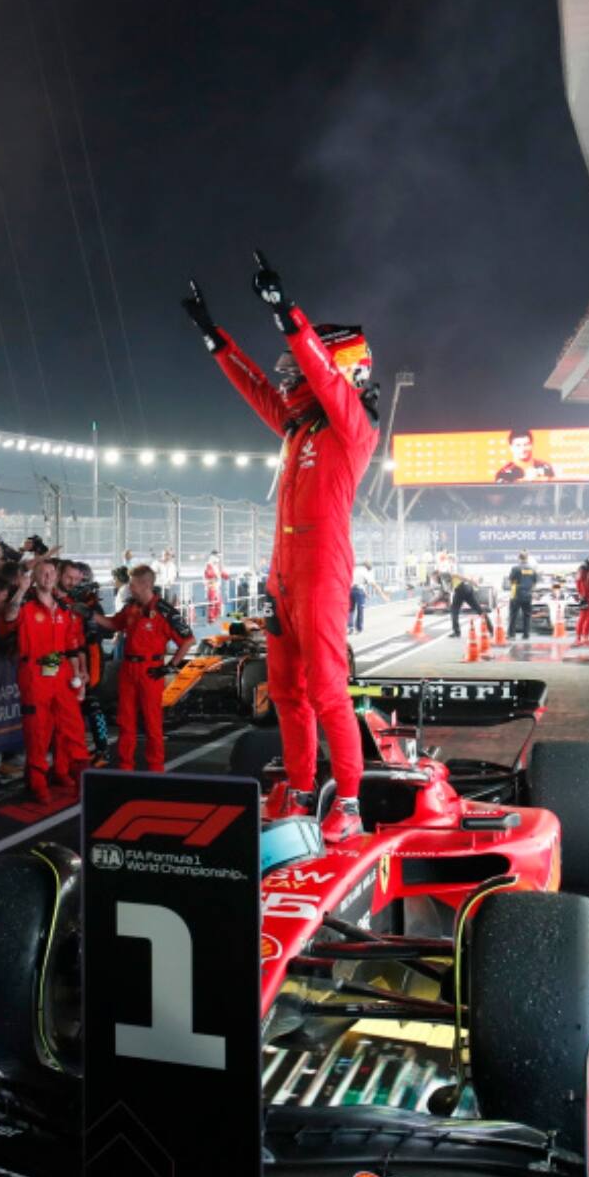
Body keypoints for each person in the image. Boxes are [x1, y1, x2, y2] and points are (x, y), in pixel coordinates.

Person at [185, 253, 377, 842]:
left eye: (298, 364)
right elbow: (255, 388)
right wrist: (214, 337)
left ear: (338, 371)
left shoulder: (353, 430)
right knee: (287, 692)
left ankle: (348, 800)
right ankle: (298, 789)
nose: (289, 374)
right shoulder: (298, 429)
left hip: (322, 574)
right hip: (282, 577)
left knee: (325, 689)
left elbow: (322, 378)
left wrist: (287, 315)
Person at [8, 557, 89, 803]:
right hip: (34, 673)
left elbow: (70, 645)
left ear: (56, 577)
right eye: (42, 573)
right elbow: (9, 617)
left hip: (61, 671)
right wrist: (20, 590)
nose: (47, 577)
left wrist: (78, 674)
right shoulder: (25, 605)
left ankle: (83, 779)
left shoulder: (64, 609)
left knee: (73, 727)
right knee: (38, 731)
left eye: (51, 573)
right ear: (35, 577)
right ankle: (37, 783)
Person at [97, 565, 192, 772]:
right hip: (129, 669)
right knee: (125, 721)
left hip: (151, 671)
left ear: (146, 584)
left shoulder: (164, 611)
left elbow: (187, 640)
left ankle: (156, 768)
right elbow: (114, 624)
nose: (130, 587)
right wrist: (91, 615)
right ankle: (125, 767)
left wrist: (169, 668)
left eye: (133, 583)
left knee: (152, 723)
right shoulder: (131, 607)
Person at [504, 553, 539, 640]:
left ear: (519, 558)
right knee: (527, 615)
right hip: (528, 594)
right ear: (527, 558)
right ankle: (526, 634)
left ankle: (512, 634)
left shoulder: (515, 568)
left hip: (516, 594)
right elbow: (534, 582)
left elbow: (511, 580)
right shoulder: (532, 569)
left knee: (513, 615)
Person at [443, 569, 484, 639]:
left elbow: (464, 580)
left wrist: (474, 583)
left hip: (460, 590)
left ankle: (457, 632)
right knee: (479, 610)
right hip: (467, 590)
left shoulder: (453, 576)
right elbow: (465, 580)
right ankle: (491, 629)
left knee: (454, 611)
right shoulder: (451, 578)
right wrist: (474, 584)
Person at [202, 551, 227, 623]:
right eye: (217, 556)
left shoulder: (216, 566)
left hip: (216, 587)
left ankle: (215, 616)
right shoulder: (209, 565)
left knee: (218, 603)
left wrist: (226, 576)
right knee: (212, 603)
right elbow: (209, 575)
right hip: (211, 587)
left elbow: (221, 573)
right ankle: (211, 618)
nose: (218, 558)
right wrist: (214, 578)